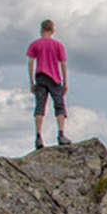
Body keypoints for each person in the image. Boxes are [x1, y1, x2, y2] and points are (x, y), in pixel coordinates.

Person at [26, 18, 70, 149]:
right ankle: (61, 134)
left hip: (40, 76)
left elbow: (30, 62)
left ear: (41, 30)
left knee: (40, 106)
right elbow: (63, 64)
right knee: (59, 105)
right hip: (54, 78)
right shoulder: (57, 45)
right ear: (52, 30)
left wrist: (32, 81)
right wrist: (65, 82)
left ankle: (38, 136)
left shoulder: (35, 44)